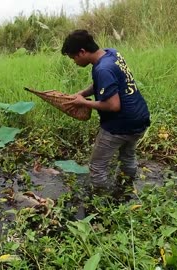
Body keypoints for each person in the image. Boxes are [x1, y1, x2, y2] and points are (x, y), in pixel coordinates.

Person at [61, 29, 150, 196]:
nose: (74, 62)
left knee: (97, 166)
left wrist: (84, 103)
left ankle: (103, 202)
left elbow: (113, 105)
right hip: (140, 118)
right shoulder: (111, 54)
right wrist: (82, 94)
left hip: (120, 124)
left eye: (74, 57)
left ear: (82, 52)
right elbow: (101, 84)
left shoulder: (103, 69)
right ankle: (127, 190)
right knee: (127, 156)